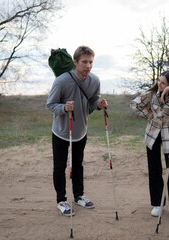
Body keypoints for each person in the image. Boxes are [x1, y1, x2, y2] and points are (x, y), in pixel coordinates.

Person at [46, 46, 108, 216]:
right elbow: (50, 105)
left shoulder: (95, 80)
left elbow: (93, 99)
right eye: (84, 62)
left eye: (91, 62)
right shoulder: (61, 81)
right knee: (59, 167)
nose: (88, 66)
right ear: (75, 62)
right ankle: (61, 200)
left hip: (81, 131)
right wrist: (64, 107)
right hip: (61, 131)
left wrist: (99, 104)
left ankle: (79, 196)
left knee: (78, 164)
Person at [130, 70, 169, 224]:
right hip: (153, 134)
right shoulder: (151, 94)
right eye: (159, 81)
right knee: (154, 170)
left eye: (163, 83)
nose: (159, 84)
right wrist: (147, 115)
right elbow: (134, 104)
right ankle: (158, 204)